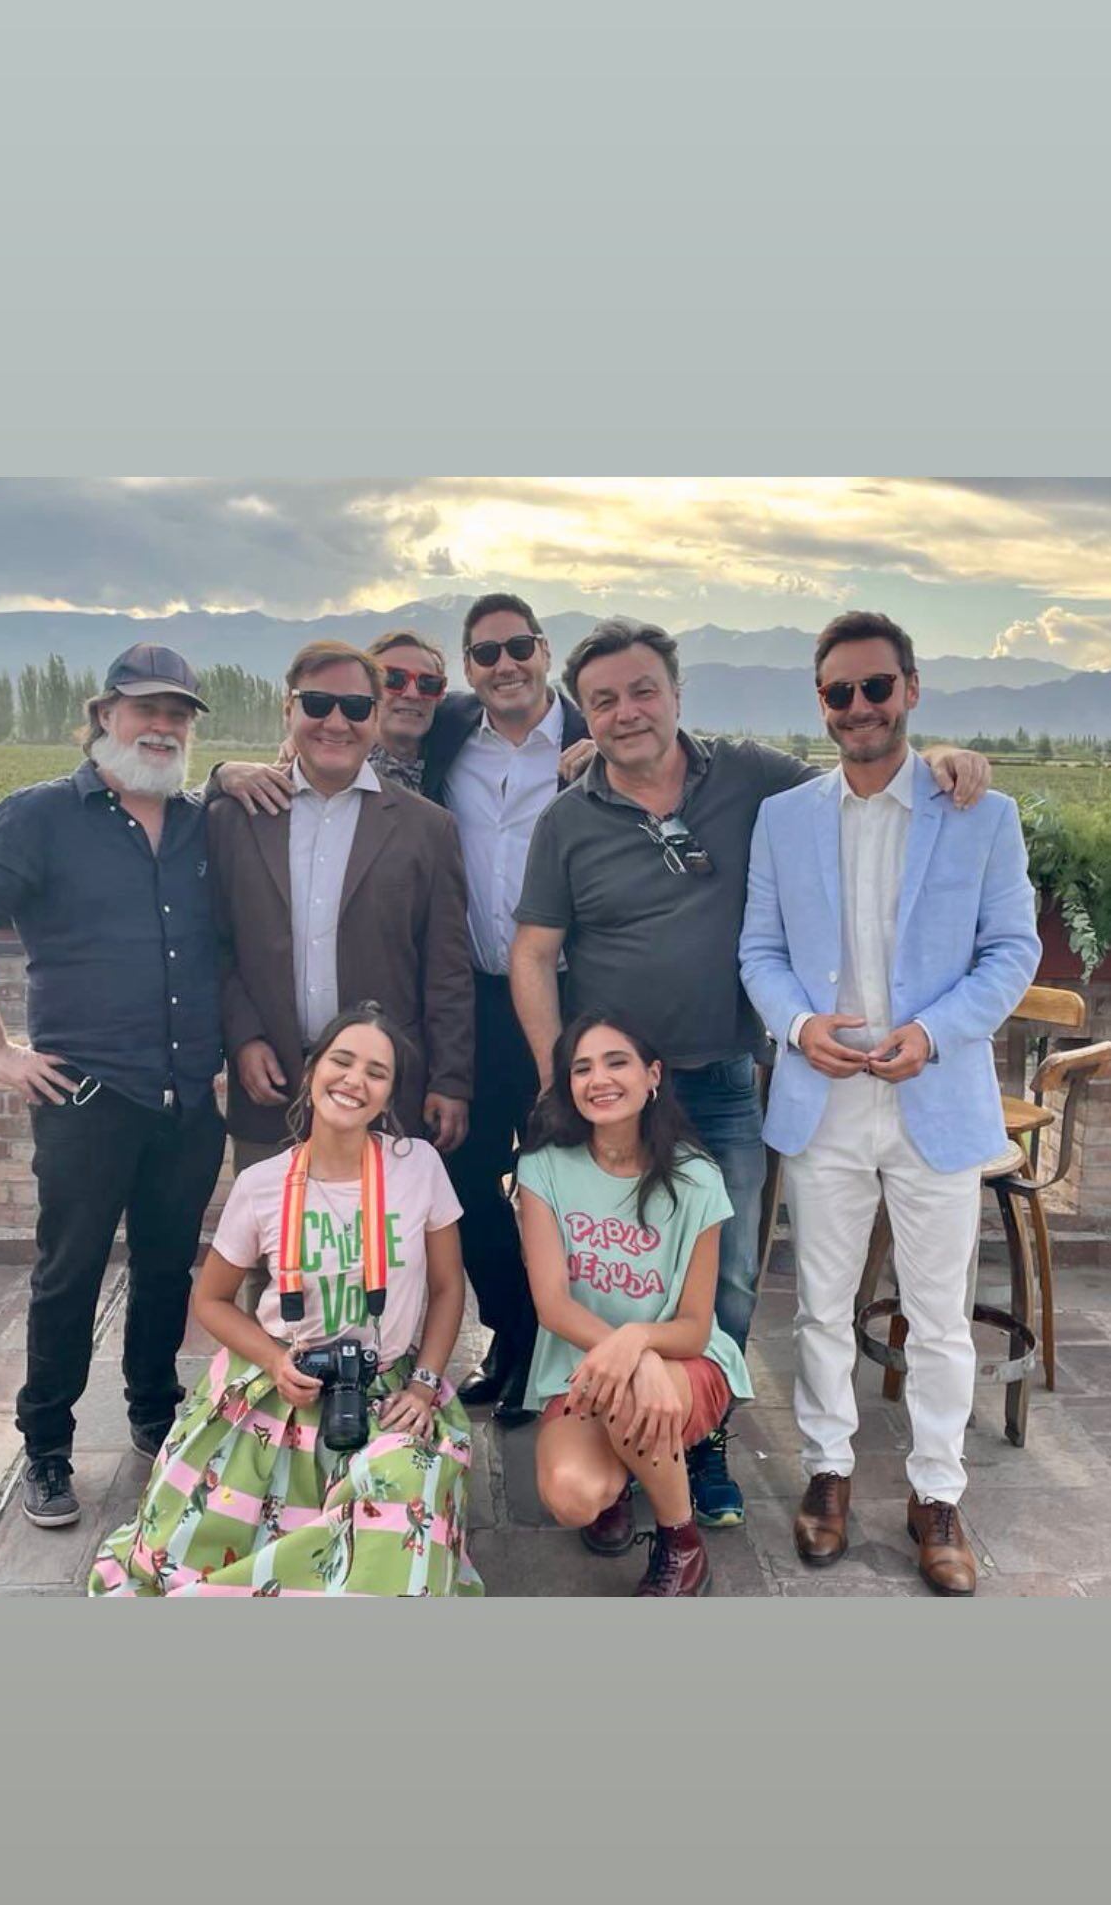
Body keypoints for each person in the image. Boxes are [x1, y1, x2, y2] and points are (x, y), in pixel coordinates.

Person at [510, 614, 992, 1530]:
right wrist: (553, 1082)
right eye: (603, 700)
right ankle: (612, 1428)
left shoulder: (755, 781)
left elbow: (864, 790)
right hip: (612, 1096)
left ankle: (703, 1441)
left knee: (727, 1281)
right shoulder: (568, 819)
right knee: (607, 1274)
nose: (626, 713)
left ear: (678, 694)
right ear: (585, 718)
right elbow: (534, 953)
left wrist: (943, 764)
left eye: (643, 690)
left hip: (723, 1081)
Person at [0, 643, 293, 1529]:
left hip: (184, 1095)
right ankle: (48, 1449)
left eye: (179, 715)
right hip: (86, 1098)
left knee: (169, 1266)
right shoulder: (40, 816)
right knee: (68, 1275)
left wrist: (230, 770)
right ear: (105, 716)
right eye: (145, 710)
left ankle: (152, 1410)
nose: (162, 726)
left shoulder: (201, 821)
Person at [738, 611, 1040, 1597]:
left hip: (934, 1094)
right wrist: (795, 1026)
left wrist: (938, 1030)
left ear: (911, 688)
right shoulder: (785, 817)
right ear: (820, 704)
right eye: (839, 693)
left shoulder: (980, 813)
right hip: (824, 1094)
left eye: (877, 687)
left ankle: (936, 1492)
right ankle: (828, 1471)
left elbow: (1012, 951)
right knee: (819, 1303)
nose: (859, 707)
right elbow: (761, 952)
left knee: (939, 1312)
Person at [89, 1003, 482, 1596]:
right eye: (342, 1061)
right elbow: (213, 1300)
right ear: (311, 1071)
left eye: (376, 1072)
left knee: (403, 1490)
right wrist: (275, 1359)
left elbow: (450, 1286)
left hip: (389, 1385)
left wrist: (425, 1383)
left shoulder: (417, 1166)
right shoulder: (262, 1184)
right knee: (182, 1552)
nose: (355, 1081)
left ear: (390, 1094)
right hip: (279, 1382)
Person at [206, 639, 474, 1191]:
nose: (335, 722)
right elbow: (217, 944)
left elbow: (446, 968)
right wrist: (243, 1038)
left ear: (375, 719)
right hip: (271, 1085)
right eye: (317, 704)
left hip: (385, 1091)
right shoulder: (236, 818)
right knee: (274, 1261)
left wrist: (451, 1079)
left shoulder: (428, 829)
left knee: (385, 1258)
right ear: (288, 710)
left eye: (354, 708)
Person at [419, 592, 591, 1426]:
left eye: (517, 646)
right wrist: (237, 770)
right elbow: (357, 744)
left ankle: (563, 1358)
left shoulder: (598, 732)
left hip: (578, 1003)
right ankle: (513, 1336)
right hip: (477, 1000)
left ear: (545, 649)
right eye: (485, 654)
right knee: (463, 1175)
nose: (504, 665)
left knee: (566, 1183)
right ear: (468, 668)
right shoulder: (450, 735)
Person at [518, 1014, 752, 1597]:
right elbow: (552, 1305)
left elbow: (696, 1328)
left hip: (685, 1364)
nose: (599, 1078)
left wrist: (639, 1345)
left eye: (616, 1061)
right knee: (573, 1496)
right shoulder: (543, 1167)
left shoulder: (697, 1177)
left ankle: (681, 1543)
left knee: (628, 1399)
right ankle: (624, 1476)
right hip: (582, 1369)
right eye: (582, 1067)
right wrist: (631, 1353)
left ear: (652, 1076)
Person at [366, 627, 449, 792]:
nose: (412, 694)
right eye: (393, 679)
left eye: (428, 684)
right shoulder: (341, 779)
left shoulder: (450, 772)